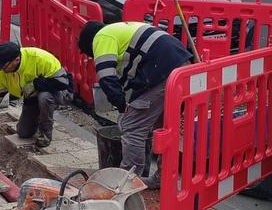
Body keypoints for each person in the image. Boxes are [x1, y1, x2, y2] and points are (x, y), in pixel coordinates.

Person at [77, 21, 194, 187]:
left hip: (162, 71)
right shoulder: (120, 31)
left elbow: (106, 77)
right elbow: (132, 75)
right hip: (180, 66)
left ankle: (125, 185)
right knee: (165, 128)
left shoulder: (101, 37)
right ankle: (163, 179)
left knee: (132, 127)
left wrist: (121, 105)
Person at [0, 42, 73, 148]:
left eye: (4, 66)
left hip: (60, 92)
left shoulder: (40, 59)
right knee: (23, 133)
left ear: (16, 60)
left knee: (45, 97)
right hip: (32, 98)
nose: (1, 70)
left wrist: (36, 84)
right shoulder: (1, 73)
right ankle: (40, 114)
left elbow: (63, 83)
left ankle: (45, 134)